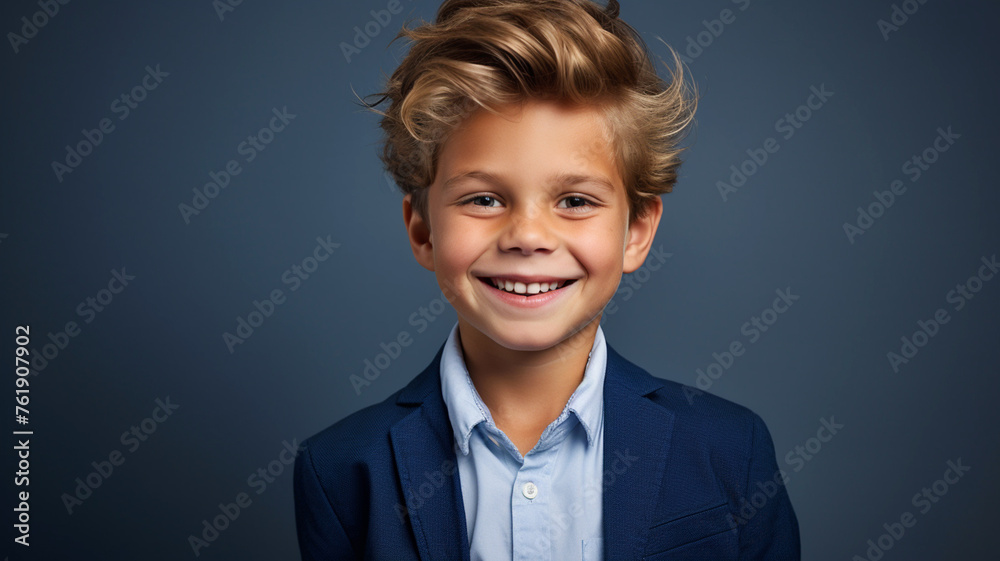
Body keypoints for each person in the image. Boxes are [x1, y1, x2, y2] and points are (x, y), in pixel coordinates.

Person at [294, 1, 800, 559]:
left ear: (636, 231)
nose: (528, 236)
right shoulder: (342, 468)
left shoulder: (728, 448)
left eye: (576, 200)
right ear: (422, 231)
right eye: (483, 198)